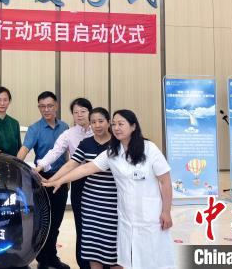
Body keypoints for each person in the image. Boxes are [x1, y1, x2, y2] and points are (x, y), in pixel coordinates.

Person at [43, 109, 175, 269]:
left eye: (121, 124)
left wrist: (166, 211)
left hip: (151, 216)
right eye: (114, 124)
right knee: (128, 258)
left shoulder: (149, 148)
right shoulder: (112, 152)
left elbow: (165, 181)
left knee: (153, 257)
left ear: (133, 126)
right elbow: (86, 168)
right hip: (126, 217)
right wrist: (59, 181)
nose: (117, 128)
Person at [47, 107, 118, 269]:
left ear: (108, 122)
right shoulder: (86, 143)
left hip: (113, 200)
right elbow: (71, 164)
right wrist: (52, 180)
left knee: (113, 243)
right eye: (93, 122)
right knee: (92, 241)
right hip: (90, 200)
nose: (97, 125)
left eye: (101, 121)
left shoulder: (117, 143)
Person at [33, 97, 94, 266]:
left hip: (101, 182)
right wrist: (40, 166)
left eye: (83, 111)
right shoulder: (69, 133)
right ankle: (84, 263)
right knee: (81, 223)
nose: (79, 115)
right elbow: (56, 151)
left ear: (90, 112)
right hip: (78, 181)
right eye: (75, 112)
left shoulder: (98, 130)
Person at [17, 91, 70, 269]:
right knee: (42, 221)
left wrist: (68, 178)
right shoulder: (35, 129)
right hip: (42, 179)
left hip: (61, 177)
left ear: (56, 106)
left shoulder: (64, 127)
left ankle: (51, 257)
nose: (46, 110)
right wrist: (15, 165)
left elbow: (67, 154)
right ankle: (42, 258)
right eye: (42, 106)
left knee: (56, 221)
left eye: (49, 106)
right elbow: (24, 150)